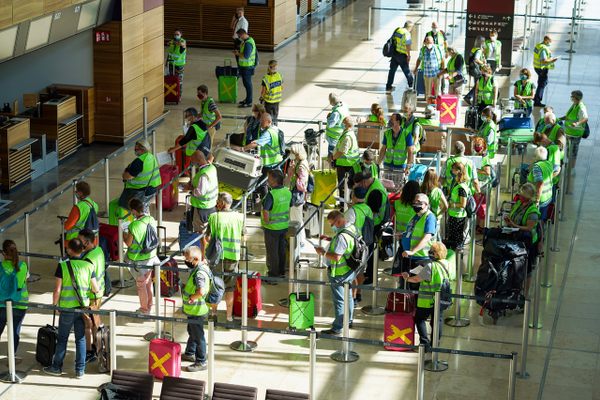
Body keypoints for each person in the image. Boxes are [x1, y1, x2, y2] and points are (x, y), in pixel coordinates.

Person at [44, 238, 99, 378]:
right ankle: (80, 370)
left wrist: (55, 305)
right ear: (82, 250)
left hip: (67, 309)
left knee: (62, 339)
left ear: (69, 250)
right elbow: (96, 289)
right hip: (83, 308)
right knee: (80, 339)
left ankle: (56, 367)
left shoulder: (62, 266)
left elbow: (57, 289)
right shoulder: (89, 265)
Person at [315, 211, 360, 335]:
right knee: (349, 296)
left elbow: (336, 257)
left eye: (332, 224)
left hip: (340, 272)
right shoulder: (352, 227)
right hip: (350, 269)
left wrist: (322, 252)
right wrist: (329, 238)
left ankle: (338, 327)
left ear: (338, 221)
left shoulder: (341, 237)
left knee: (339, 300)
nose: (332, 227)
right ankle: (349, 320)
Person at [401, 241, 449, 349]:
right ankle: (435, 343)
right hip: (441, 298)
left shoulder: (431, 266)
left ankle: (424, 343)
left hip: (426, 300)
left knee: (420, 319)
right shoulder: (446, 263)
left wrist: (406, 278)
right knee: (437, 321)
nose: (430, 252)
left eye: (432, 251)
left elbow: (417, 279)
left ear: (436, 254)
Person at [206, 192, 244, 321]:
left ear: (222, 203)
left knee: (215, 285)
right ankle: (229, 317)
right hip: (233, 256)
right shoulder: (240, 217)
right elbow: (244, 235)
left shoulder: (214, 217)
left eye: (218, 201)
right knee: (230, 288)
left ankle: (214, 314)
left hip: (217, 257)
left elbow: (207, 237)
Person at [123, 198, 160, 315]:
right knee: (148, 283)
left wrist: (123, 233)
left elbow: (128, 243)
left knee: (141, 285)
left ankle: (144, 309)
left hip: (138, 260)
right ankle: (149, 305)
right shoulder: (151, 219)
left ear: (134, 211)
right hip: (151, 256)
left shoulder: (134, 225)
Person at [503, 183, 541, 296]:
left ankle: (525, 294)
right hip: (515, 239)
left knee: (526, 269)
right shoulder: (519, 203)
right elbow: (512, 214)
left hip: (528, 243)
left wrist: (513, 225)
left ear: (528, 197)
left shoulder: (533, 211)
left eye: (522, 195)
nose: (519, 197)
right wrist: (509, 220)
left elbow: (529, 228)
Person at [353, 170, 389, 285]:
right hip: (373, 223)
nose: (358, 187)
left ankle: (370, 276)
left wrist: (358, 208)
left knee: (370, 251)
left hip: (374, 224)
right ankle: (369, 273)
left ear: (363, 182)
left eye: (358, 184)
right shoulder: (374, 184)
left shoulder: (375, 191)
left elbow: (372, 212)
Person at [181, 246, 210, 372]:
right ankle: (189, 353)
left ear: (196, 259)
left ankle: (201, 361)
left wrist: (192, 298)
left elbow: (201, 291)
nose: (186, 261)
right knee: (192, 331)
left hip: (197, 310)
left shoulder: (199, 273)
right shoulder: (200, 267)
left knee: (198, 336)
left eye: (188, 259)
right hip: (194, 310)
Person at [78, 229, 105, 364]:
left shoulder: (87, 260)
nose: (78, 244)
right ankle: (97, 346)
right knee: (96, 322)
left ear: (88, 242)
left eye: (81, 241)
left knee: (88, 325)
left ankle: (90, 351)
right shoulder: (98, 250)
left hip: (90, 296)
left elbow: (86, 279)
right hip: (99, 293)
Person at [343, 187, 374, 304]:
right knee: (361, 271)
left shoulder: (352, 211)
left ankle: (353, 297)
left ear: (353, 197)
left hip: (354, 246)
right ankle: (359, 293)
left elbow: (344, 227)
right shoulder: (368, 209)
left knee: (352, 273)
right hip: (365, 245)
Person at [261, 169, 291, 280]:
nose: (267, 180)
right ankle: (281, 272)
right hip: (283, 226)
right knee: (281, 250)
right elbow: (290, 204)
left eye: (269, 178)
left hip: (271, 227)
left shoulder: (271, 194)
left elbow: (266, 210)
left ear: (274, 180)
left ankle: (273, 275)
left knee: (272, 252)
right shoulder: (287, 192)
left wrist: (267, 221)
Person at [118, 139, 161, 215]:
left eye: (136, 149)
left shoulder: (139, 161)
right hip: (153, 188)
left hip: (139, 190)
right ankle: (146, 219)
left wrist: (124, 173)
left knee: (125, 204)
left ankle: (134, 221)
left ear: (142, 149)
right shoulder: (151, 156)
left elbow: (127, 177)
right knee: (144, 206)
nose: (135, 151)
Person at [0, 240, 28, 355]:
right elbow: (20, 285)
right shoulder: (22, 266)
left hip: (1, 304)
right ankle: (12, 358)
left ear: (3, 253)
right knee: (15, 332)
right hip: (19, 304)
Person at [187, 151, 218, 252]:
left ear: (197, 160)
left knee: (202, 235)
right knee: (209, 233)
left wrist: (191, 189)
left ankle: (205, 257)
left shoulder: (203, 174)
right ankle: (209, 253)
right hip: (211, 206)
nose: (192, 163)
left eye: (192, 160)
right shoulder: (211, 168)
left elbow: (200, 192)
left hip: (202, 208)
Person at [527, 146, 559, 221]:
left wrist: (537, 200)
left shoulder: (537, 167)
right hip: (548, 196)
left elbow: (540, 183)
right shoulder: (549, 163)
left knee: (536, 220)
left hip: (540, 198)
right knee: (542, 219)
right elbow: (558, 168)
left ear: (535, 157)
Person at [378, 113, 415, 178]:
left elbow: (410, 152)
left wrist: (408, 167)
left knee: (398, 187)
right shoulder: (387, 133)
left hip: (400, 167)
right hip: (387, 165)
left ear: (398, 122)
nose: (390, 121)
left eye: (392, 119)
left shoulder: (406, 134)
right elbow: (383, 149)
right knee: (387, 185)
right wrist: (378, 163)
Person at [287, 143, 310, 247]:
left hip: (297, 195)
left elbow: (302, 183)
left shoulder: (301, 166)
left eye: (293, 152)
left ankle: (300, 240)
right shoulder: (299, 162)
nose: (291, 154)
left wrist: (293, 173)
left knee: (296, 219)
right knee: (296, 217)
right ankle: (300, 239)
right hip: (297, 194)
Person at [445, 162, 471, 250]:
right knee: (452, 238)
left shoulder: (461, 187)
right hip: (453, 215)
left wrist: (452, 204)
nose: (451, 171)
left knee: (456, 240)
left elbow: (463, 204)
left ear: (458, 171)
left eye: (453, 169)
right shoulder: (457, 183)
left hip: (457, 217)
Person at [332, 117, 359, 201]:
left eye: (343, 123)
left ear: (348, 125)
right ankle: (346, 203)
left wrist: (333, 158)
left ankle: (343, 205)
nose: (342, 124)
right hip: (349, 164)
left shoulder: (347, 136)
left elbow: (342, 151)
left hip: (345, 164)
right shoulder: (350, 133)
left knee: (343, 186)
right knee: (347, 186)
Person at [560, 90, 589, 168]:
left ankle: (572, 166)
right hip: (569, 132)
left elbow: (585, 118)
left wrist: (577, 123)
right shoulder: (574, 105)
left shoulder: (581, 107)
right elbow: (568, 116)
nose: (571, 98)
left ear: (576, 98)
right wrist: (560, 118)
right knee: (569, 149)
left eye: (572, 96)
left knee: (573, 151)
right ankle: (569, 164)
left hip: (576, 133)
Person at [414, 36, 445, 103]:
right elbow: (419, 59)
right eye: (427, 42)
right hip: (427, 74)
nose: (429, 44)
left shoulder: (438, 48)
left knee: (437, 90)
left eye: (430, 42)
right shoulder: (423, 50)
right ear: (425, 42)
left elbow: (442, 59)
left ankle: (437, 103)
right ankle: (429, 104)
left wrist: (442, 71)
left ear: (433, 42)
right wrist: (415, 68)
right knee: (428, 91)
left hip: (437, 73)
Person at [386, 20, 415, 92]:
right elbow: (408, 45)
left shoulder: (398, 30)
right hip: (402, 55)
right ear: (410, 27)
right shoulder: (407, 33)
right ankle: (411, 85)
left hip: (395, 54)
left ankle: (388, 86)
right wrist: (409, 55)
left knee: (392, 71)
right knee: (407, 71)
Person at [421, 169, 447, 239]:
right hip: (434, 218)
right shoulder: (438, 191)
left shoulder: (421, 188)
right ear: (436, 178)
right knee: (433, 239)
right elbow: (446, 206)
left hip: (422, 218)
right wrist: (439, 214)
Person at [533, 35, 558, 107]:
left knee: (542, 82)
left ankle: (536, 97)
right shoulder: (543, 49)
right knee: (542, 84)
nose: (550, 43)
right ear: (546, 40)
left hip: (537, 67)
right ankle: (537, 101)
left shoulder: (539, 45)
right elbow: (544, 61)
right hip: (542, 68)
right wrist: (553, 60)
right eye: (550, 41)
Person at [234, 29, 256, 108]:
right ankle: (247, 99)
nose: (239, 38)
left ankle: (249, 102)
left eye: (239, 36)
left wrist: (237, 54)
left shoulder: (248, 43)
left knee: (248, 84)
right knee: (246, 84)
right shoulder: (246, 41)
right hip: (244, 66)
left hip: (247, 67)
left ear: (242, 34)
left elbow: (246, 56)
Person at [325, 93, 350, 157]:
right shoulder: (344, 106)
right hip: (341, 136)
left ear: (331, 102)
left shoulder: (336, 113)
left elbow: (330, 124)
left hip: (334, 139)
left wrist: (328, 117)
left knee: (332, 157)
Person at [464, 35, 486, 105]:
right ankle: (469, 97)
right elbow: (476, 59)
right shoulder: (479, 50)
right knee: (478, 86)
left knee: (476, 85)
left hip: (472, 70)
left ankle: (473, 101)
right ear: (482, 42)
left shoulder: (473, 49)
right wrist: (483, 63)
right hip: (477, 70)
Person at [261, 60, 283, 124]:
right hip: (277, 100)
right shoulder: (280, 76)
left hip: (269, 101)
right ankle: (275, 126)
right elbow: (282, 88)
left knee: (269, 116)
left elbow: (263, 91)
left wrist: (262, 97)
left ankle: (270, 127)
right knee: (275, 115)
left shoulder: (265, 78)